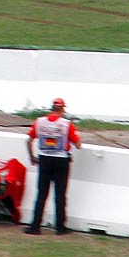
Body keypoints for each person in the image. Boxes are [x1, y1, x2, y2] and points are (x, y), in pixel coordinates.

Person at [24, 97, 81, 234]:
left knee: (42, 194)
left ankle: (35, 227)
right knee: (60, 195)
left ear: (52, 108)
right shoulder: (67, 124)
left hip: (44, 160)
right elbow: (78, 145)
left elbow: (29, 140)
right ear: (62, 109)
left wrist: (32, 157)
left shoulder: (39, 122)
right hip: (61, 161)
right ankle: (60, 227)